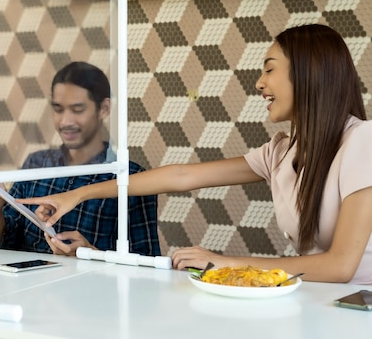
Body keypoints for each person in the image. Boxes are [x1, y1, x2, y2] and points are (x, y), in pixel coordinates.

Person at [19, 24, 372, 284]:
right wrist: (78, 194)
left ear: (310, 74)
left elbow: (341, 267)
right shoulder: (281, 151)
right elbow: (182, 176)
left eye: (269, 68)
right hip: (311, 297)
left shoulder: (361, 141)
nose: (259, 83)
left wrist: (220, 262)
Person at [0, 61, 160, 257]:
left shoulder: (132, 178)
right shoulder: (36, 164)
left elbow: (145, 263)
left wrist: (92, 254)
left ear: (104, 109)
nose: (65, 121)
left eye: (77, 109)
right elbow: (4, 247)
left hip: (93, 287)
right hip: (28, 286)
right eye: (58, 109)